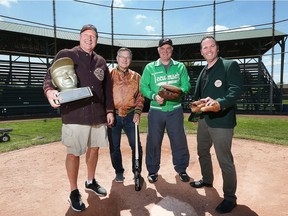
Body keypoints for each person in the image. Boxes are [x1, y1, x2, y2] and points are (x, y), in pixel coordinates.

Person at [43, 24, 114, 212]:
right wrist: (50, 92)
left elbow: (107, 89)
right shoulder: (66, 54)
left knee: (94, 150)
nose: (89, 38)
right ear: (80, 37)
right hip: (74, 114)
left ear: (97, 40)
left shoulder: (101, 61)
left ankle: (90, 181)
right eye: (86, 35)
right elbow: (49, 77)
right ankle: (73, 191)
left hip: (97, 114)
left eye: (93, 36)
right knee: (74, 153)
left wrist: (109, 110)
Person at [189, 36, 243, 214]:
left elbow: (235, 91)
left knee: (224, 160)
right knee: (202, 151)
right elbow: (204, 95)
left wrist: (218, 102)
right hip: (204, 119)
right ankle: (207, 179)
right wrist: (199, 103)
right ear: (201, 51)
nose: (208, 50)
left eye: (212, 46)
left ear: (217, 48)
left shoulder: (229, 65)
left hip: (222, 120)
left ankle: (230, 198)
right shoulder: (204, 71)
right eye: (205, 47)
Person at [140, 38, 191, 183]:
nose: (165, 51)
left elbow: (187, 85)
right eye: (162, 49)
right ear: (158, 50)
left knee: (179, 140)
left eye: (168, 48)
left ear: (172, 50)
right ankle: (152, 170)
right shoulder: (150, 67)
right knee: (154, 141)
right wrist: (154, 96)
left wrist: (178, 91)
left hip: (175, 110)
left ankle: (181, 169)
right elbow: (143, 87)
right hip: (156, 110)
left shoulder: (180, 67)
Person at [108, 47, 145, 183]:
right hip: (114, 116)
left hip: (131, 116)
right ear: (117, 59)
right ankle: (119, 171)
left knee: (136, 146)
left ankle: (137, 171)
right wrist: (108, 112)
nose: (125, 59)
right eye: (122, 57)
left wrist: (138, 111)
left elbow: (141, 96)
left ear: (130, 59)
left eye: (127, 57)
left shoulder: (137, 77)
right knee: (114, 147)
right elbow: (105, 95)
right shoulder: (109, 75)